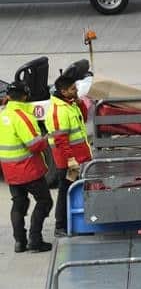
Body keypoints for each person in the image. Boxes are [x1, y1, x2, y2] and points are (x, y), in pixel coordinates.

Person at [0, 82, 53, 252]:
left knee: (19, 204)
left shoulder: (3, 114)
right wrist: (45, 138)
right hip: (28, 169)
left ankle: (19, 242)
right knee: (44, 201)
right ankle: (35, 240)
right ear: (25, 96)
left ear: (8, 96)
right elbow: (34, 145)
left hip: (9, 169)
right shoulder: (22, 116)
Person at [45, 75, 92, 238]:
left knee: (79, 190)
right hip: (69, 163)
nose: (77, 89)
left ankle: (80, 223)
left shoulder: (70, 105)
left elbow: (84, 119)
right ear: (63, 91)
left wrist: (80, 104)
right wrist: (71, 161)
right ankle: (60, 226)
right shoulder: (58, 111)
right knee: (66, 191)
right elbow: (61, 140)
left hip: (81, 158)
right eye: (73, 88)